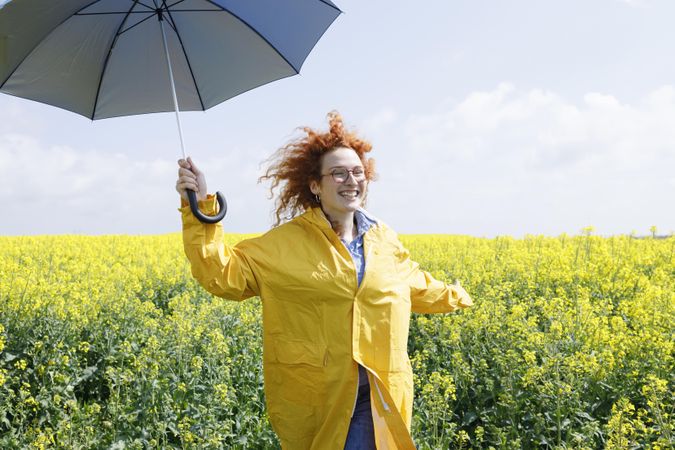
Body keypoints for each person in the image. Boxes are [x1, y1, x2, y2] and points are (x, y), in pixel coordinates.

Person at [175, 111, 473, 450]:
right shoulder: (284, 245)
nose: (351, 180)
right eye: (339, 173)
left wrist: (458, 295)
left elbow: (410, 283)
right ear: (315, 186)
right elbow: (220, 273)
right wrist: (196, 204)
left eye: (358, 172)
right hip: (323, 401)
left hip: (381, 396)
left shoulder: (383, 238)